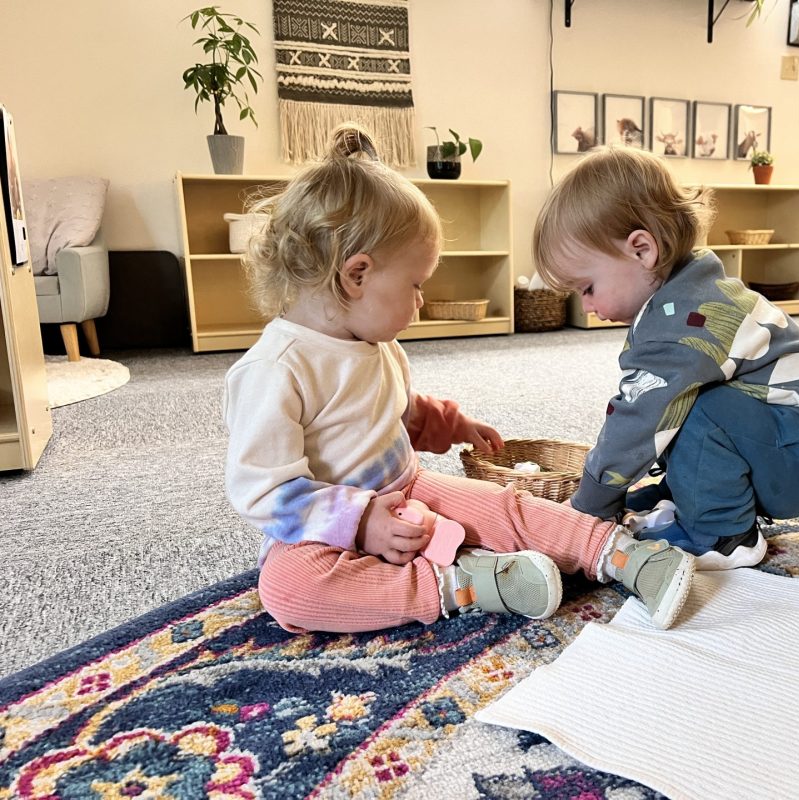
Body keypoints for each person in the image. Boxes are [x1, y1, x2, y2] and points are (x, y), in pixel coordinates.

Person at [224, 125, 696, 634]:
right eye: (415, 284)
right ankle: (465, 583)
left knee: (505, 507)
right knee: (288, 588)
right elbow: (266, 493)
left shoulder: (377, 344)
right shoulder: (274, 370)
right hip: (328, 530)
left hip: (409, 488)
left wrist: (448, 423)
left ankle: (622, 556)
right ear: (356, 276)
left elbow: (397, 411)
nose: (421, 301)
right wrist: (361, 521)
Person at [532, 146, 799, 569]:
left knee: (688, 410)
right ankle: (690, 498)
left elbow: (636, 421)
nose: (586, 306)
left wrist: (590, 503)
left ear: (642, 250)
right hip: (789, 446)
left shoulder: (682, 323)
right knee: (690, 404)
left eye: (587, 288)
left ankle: (722, 535)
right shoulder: (686, 293)